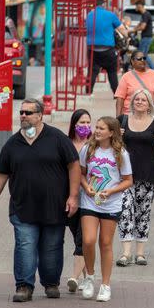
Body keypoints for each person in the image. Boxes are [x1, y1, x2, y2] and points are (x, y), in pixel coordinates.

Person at [0, 99, 81, 302]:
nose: (23, 116)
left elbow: (74, 165)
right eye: (21, 112)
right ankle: (24, 286)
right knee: (25, 245)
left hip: (54, 207)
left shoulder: (57, 138)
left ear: (40, 116)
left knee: (51, 247)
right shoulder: (12, 143)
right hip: (23, 208)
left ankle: (51, 283)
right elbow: (0, 175)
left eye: (28, 112)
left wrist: (73, 196)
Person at [78, 116, 133, 302]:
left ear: (111, 132)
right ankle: (90, 277)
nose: (97, 131)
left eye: (102, 128)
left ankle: (105, 285)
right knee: (88, 239)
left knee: (106, 243)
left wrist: (111, 191)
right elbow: (81, 174)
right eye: (97, 127)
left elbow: (128, 180)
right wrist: (86, 187)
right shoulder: (88, 149)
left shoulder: (121, 154)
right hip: (90, 201)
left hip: (111, 203)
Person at [116, 89, 154, 266]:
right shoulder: (122, 121)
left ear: (149, 104)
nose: (140, 102)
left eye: (144, 100)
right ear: (132, 102)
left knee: (143, 213)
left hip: (147, 175)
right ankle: (126, 253)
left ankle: (140, 253)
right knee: (125, 212)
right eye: (137, 99)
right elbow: (109, 143)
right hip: (125, 176)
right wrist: (118, 136)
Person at [65, 109, 91, 294]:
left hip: (89, 200)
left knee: (83, 239)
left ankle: (74, 277)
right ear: (74, 124)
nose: (85, 126)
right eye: (81, 123)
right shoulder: (66, 145)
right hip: (70, 199)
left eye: (88, 122)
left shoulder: (94, 145)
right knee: (77, 237)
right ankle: (87, 277)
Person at [86, 0, 128, 93]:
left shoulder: (89, 15)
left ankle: (88, 91)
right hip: (108, 50)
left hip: (92, 49)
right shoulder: (110, 15)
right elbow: (121, 29)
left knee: (92, 72)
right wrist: (127, 36)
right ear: (104, 5)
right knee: (112, 72)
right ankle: (116, 93)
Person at [114, 49, 154, 117]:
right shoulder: (126, 77)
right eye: (139, 59)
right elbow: (120, 99)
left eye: (144, 58)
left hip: (151, 116)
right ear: (132, 61)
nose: (142, 60)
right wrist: (118, 119)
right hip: (130, 115)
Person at [132, 1, 154, 69]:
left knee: (141, 54)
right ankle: (152, 68)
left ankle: (153, 68)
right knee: (144, 54)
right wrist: (133, 29)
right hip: (146, 37)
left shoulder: (145, 14)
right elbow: (139, 24)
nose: (135, 8)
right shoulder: (144, 14)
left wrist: (133, 30)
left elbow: (142, 27)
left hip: (146, 37)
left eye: (136, 6)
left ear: (140, 6)